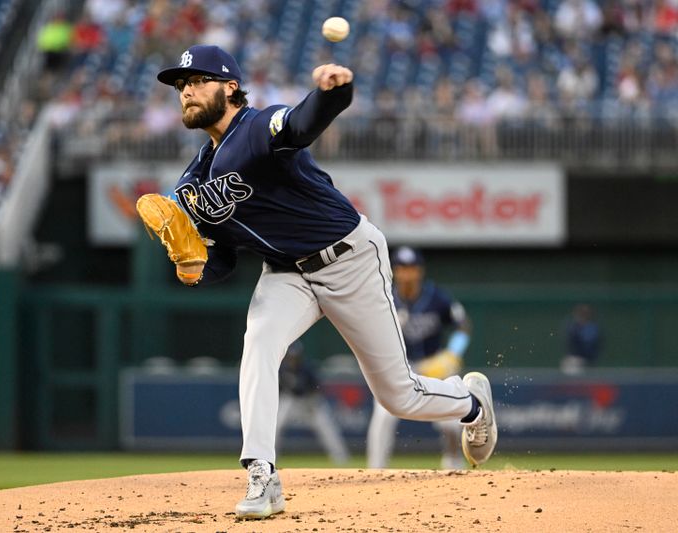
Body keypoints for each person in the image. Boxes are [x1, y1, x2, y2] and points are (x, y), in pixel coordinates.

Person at [151, 44, 497, 519]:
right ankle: (261, 475)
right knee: (258, 343)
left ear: (230, 87)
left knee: (398, 395)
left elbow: (299, 124)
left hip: (349, 259)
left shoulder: (256, 126)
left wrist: (333, 93)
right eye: (180, 85)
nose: (186, 90)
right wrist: (195, 270)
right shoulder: (190, 185)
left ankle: (470, 402)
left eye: (198, 80)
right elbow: (224, 258)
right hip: (285, 275)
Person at [366, 247, 472, 470]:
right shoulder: (383, 297)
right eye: (402, 268)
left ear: (420, 271)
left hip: (435, 367)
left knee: (452, 422)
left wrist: (453, 352)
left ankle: (454, 466)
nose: (407, 274)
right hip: (399, 367)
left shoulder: (436, 297)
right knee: (382, 419)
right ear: (394, 271)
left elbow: (463, 325)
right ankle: (376, 470)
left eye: (412, 268)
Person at [276, 340, 350, 465]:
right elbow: (280, 390)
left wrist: (312, 404)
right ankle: (270, 458)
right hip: (291, 401)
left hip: (310, 402)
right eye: (291, 356)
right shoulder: (282, 369)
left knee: (326, 428)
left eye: (295, 356)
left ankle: (341, 458)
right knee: (276, 426)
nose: (293, 359)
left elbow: (316, 389)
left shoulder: (307, 368)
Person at [560, 303, 601, 376]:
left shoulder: (592, 328)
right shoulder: (573, 327)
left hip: (587, 361)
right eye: (580, 314)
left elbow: (592, 347)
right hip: (574, 359)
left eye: (584, 314)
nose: (582, 317)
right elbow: (571, 345)